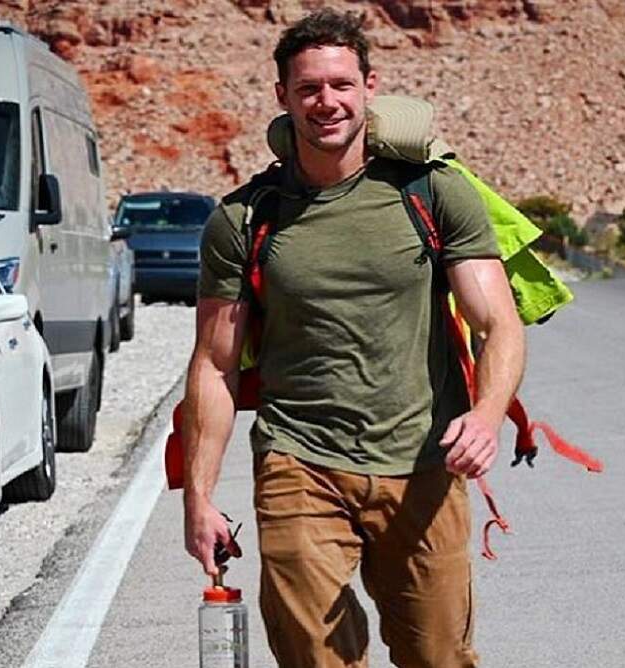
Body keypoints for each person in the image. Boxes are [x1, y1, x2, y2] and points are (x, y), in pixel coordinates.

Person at [181, 8, 525, 667]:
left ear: (370, 86)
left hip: (423, 461)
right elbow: (215, 365)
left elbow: (498, 323)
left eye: (341, 84)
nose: (326, 102)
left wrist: (485, 416)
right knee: (311, 653)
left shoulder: (432, 192)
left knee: (438, 656)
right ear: (283, 96)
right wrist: (198, 498)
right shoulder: (245, 218)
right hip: (299, 457)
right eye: (308, 88)